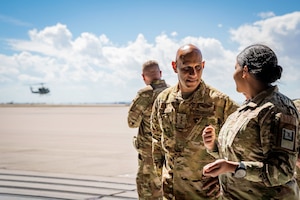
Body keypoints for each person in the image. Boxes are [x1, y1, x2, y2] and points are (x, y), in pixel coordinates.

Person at [202, 44, 300, 199]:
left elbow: (282, 171)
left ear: (245, 71)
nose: (233, 73)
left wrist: (233, 168)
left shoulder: (277, 109)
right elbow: (241, 154)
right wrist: (213, 146)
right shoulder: (247, 108)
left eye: (235, 67)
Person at [151, 44, 239, 199]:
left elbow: (243, 146)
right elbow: (157, 142)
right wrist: (161, 175)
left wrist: (225, 179)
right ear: (174, 66)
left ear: (203, 65)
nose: (193, 73)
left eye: (198, 67)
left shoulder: (220, 103)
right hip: (171, 192)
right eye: (186, 68)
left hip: (205, 193)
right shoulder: (163, 101)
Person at [128, 60, 168, 199]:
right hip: (169, 154)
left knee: (147, 192)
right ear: (160, 73)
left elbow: (132, 122)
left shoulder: (145, 94)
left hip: (149, 154)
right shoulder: (172, 92)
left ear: (144, 77)